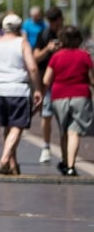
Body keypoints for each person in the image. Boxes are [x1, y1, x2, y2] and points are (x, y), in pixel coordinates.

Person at [0, 14, 43, 175]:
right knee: (18, 126)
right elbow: (33, 68)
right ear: (19, 28)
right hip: (18, 90)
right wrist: (38, 89)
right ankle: (4, 160)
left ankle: (12, 165)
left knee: (7, 126)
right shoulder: (22, 43)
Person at [42, 25, 94, 176]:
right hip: (80, 96)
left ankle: (65, 161)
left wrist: (39, 96)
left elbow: (46, 79)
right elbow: (91, 79)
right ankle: (71, 165)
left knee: (64, 131)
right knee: (74, 132)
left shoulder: (56, 56)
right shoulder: (84, 56)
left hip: (59, 97)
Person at [33, 6, 63, 163]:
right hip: (47, 81)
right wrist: (48, 49)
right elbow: (35, 57)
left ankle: (65, 151)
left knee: (65, 118)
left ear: (61, 20)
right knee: (46, 115)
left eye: (55, 21)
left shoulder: (68, 34)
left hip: (64, 82)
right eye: (50, 22)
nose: (53, 25)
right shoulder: (43, 34)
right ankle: (46, 146)